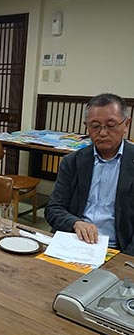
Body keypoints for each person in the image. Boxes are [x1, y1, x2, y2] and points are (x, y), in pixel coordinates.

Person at [45, 93, 134, 255]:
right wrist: (75, 223)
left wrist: (125, 259)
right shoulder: (72, 162)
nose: (103, 133)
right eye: (95, 126)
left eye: (111, 125)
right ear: (86, 126)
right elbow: (53, 208)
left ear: (126, 125)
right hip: (74, 243)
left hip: (119, 249)